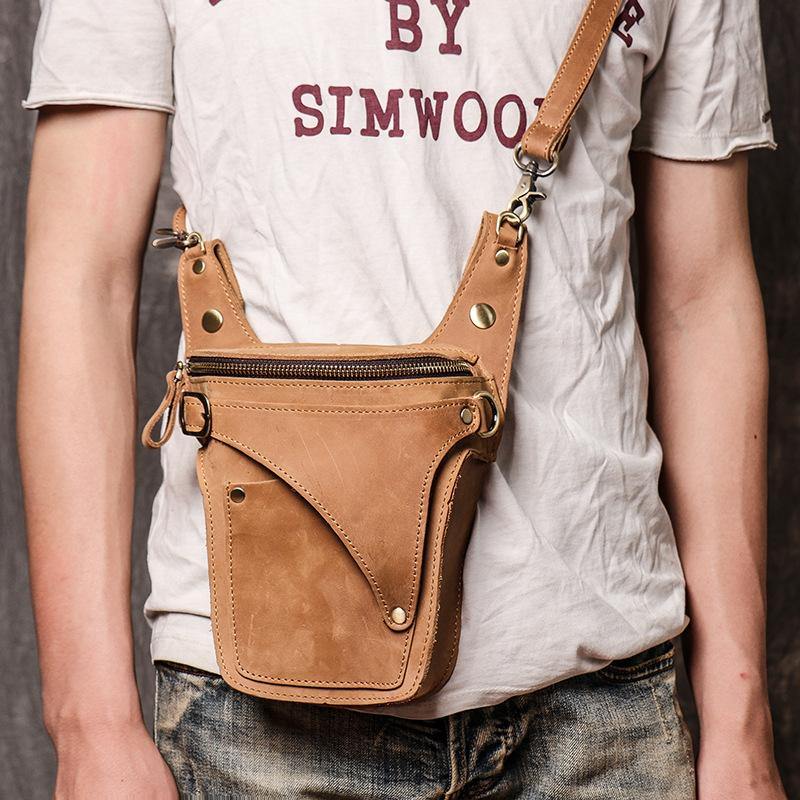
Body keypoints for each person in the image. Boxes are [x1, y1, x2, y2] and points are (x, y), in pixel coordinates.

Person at [17, 0, 787, 797]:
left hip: (601, 696)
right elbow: (83, 282)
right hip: (254, 693)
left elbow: (702, 300)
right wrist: (90, 725)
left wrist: (741, 722)